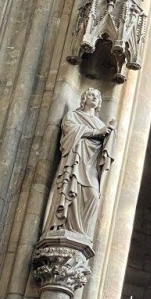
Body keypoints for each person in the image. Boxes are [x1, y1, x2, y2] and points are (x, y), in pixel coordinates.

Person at [43, 88, 115, 237]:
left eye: (97, 96)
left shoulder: (100, 123)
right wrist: (96, 132)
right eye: (91, 95)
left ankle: (80, 232)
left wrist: (111, 133)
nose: (94, 97)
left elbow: (105, 150)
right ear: (84, 99)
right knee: (71, 190)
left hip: (91, 165)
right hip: (75, 162)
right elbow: (69, 129)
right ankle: (62, 225)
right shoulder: (73, 116)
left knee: (93, 196)